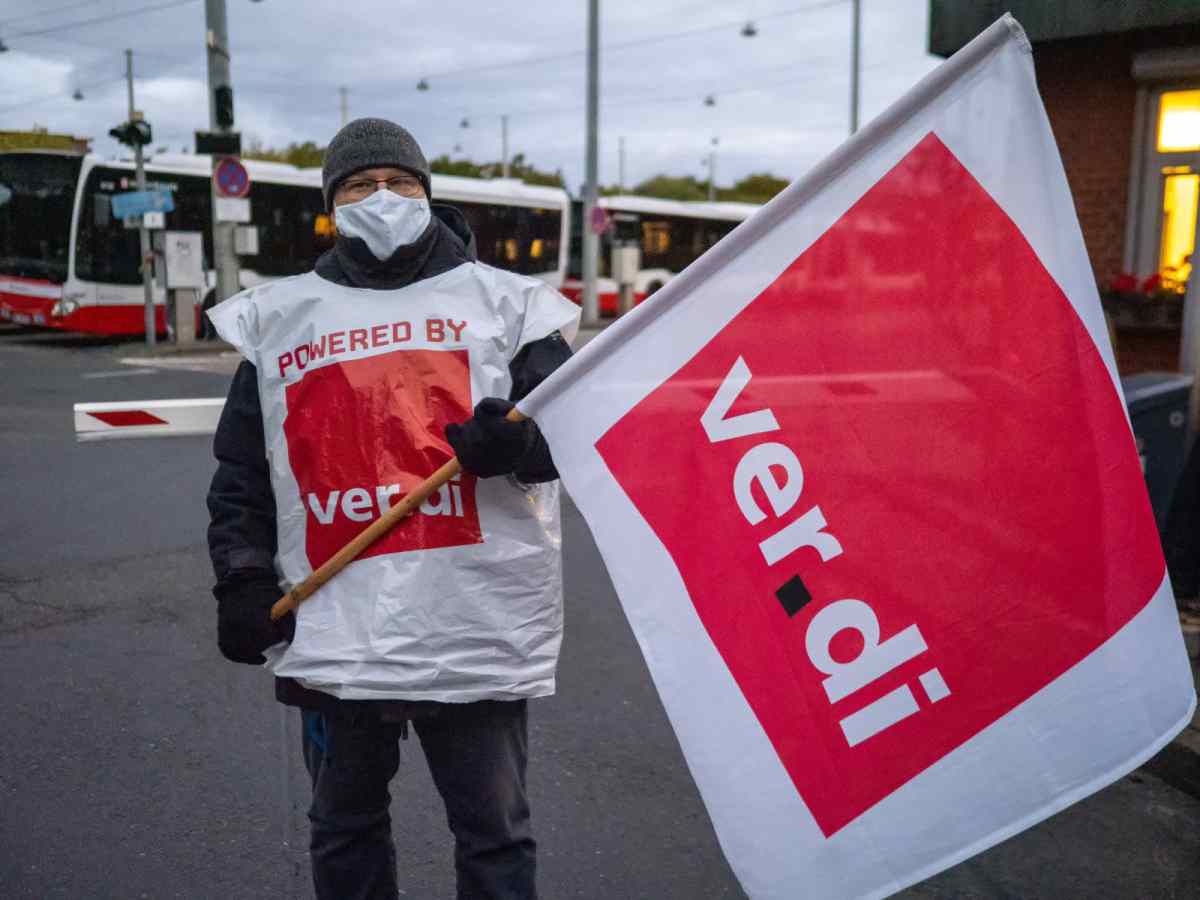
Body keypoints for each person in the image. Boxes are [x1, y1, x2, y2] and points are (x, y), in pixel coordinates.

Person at [205, 117, 579, 900]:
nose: (383, 196)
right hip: (336, 628)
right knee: (344, 832)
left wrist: (516, 445)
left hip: (473, 627)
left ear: (428, 194)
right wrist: (241, 579)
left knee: (494, 838)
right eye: (358, 184)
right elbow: (243, 470)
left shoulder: (508, 306)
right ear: (332, 205)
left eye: (401, 182)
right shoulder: (278, 318)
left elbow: (577, 433)